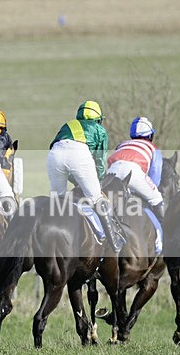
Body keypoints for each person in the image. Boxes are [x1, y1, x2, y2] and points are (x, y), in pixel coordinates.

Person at [47, 100, 123, 252]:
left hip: (54, 154)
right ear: (98, 119)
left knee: (57, 202)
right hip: (78, 154)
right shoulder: (100, 130)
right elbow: (100, 162)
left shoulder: (68, 125)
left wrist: (77, 179)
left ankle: (49, 241)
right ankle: (114, 241)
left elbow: (55, 149)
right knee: (97, 199)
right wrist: (97, 183)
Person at [106, 116, 165, 222]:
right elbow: (155, 176)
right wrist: (149, 190)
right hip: (133, 172)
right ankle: (162, 228)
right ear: (150, 135)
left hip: (112, 171)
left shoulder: (122, 144)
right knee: (156, 198)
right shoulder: (153, 148)